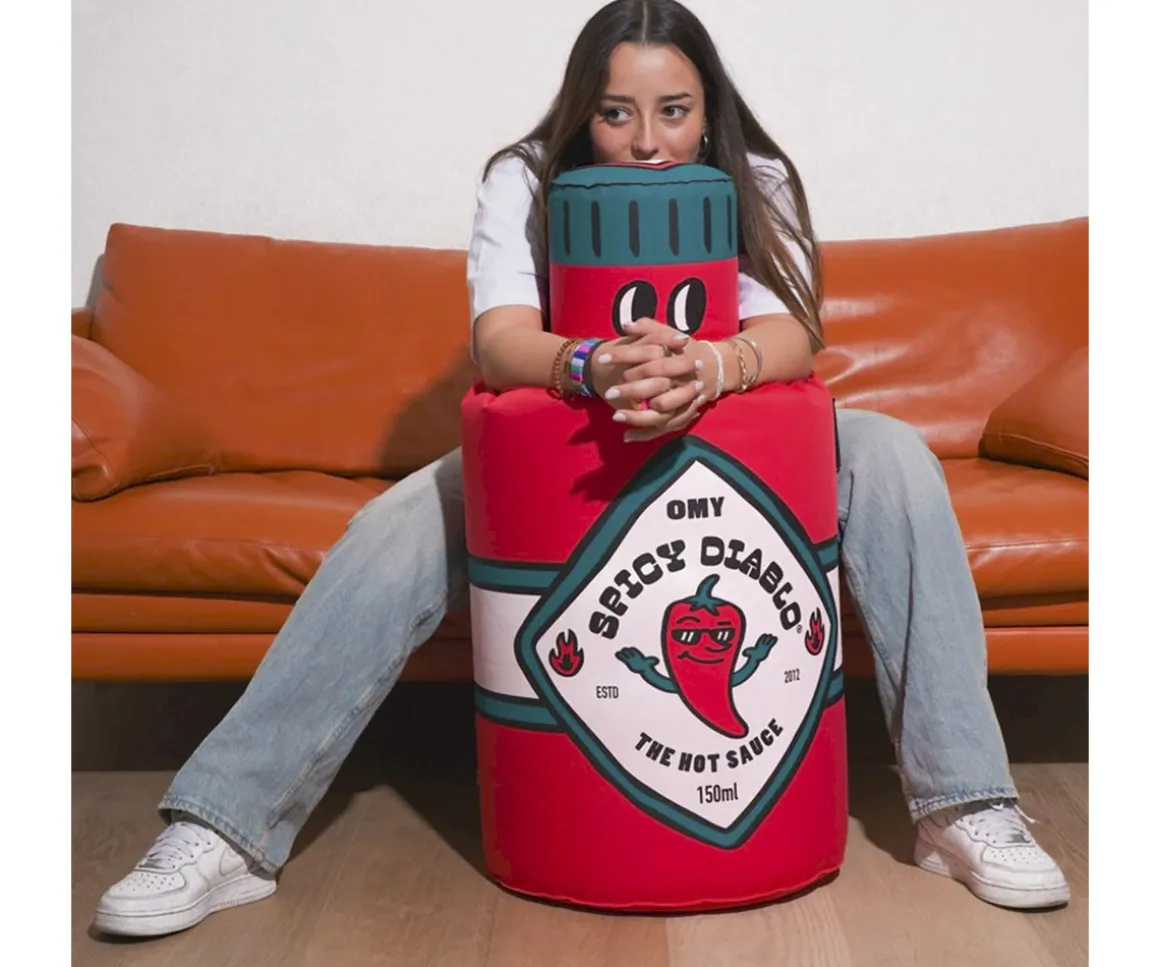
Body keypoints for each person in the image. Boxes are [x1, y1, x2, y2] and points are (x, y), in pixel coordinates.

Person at [92, 0, 1069, 937]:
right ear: (580, 113)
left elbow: (790, 332)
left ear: (708, 110)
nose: (646, 141)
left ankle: (962, 805)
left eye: (673, 111)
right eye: (615, 113)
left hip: (738, 426)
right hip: (571, 426)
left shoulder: (757, 175)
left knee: (894, 455)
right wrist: (593, 364)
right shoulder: (522, 178)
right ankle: (224, 828)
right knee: (395, 526)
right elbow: (499, 337)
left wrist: (708, 367)